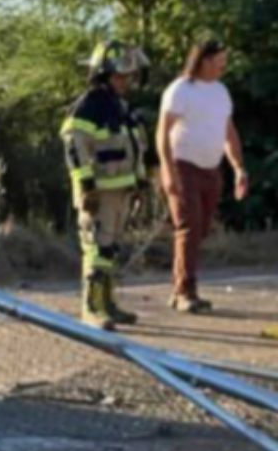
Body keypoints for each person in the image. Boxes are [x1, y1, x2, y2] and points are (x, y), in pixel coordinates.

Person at [60, 40, 151, 330]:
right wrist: (86, 187)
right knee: (97, 250)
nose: (126, 81)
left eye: (128, 76)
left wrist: (138, 182)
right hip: (98, 192)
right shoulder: (90, 106)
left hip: (119, 190)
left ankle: (108, 303)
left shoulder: (119, 107)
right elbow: (74, 145)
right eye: (120, 76)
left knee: (110, 250)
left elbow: (134, 146)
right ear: (103, 75)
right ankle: (93, 309)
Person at [156, 39, 248, 313]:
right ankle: (185, 292)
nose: (223, 66)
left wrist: (238, 167)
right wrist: (168, 170)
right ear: (204, 61)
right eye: (219, 61)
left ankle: (179, 287)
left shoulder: (221, 92)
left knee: (201, 229)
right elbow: (162, 132)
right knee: (189, 227)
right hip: (183, 166)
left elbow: (228, 132)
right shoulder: (180, 90)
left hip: (211, 169)